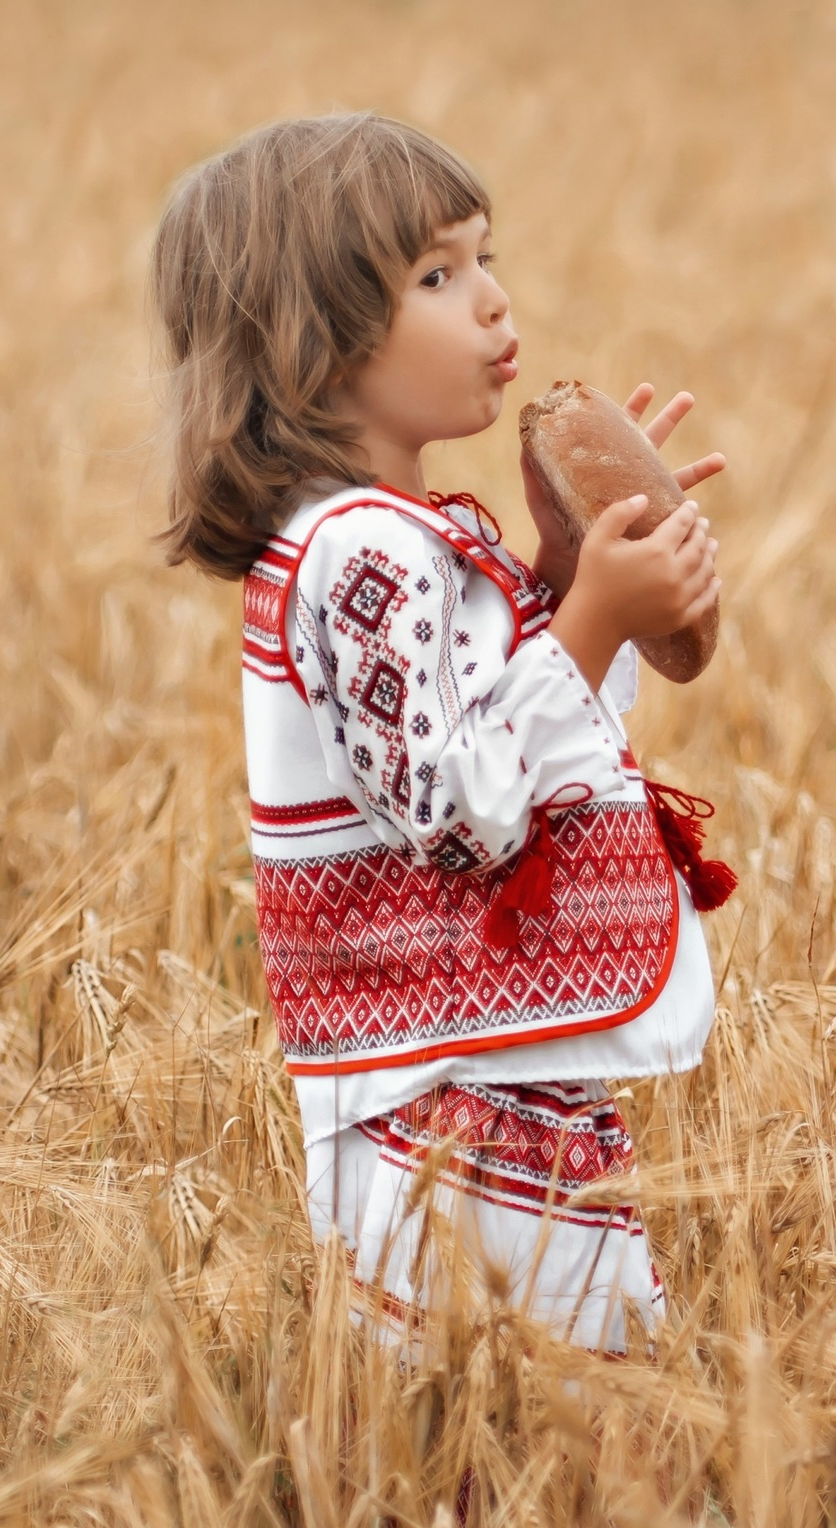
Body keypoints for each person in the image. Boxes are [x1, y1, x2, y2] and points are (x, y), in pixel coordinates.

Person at [151, 113, 728, 1360]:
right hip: (439, 1106)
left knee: (540, 1460)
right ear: (312, 339)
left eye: (484, 257)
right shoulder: (356, 551)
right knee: (513, 1453)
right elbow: (462, 812)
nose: (495, 304)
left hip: (475, 1073)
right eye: (437, 275)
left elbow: (502, 726)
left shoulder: (386, 537)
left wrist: (574, 577)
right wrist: (586, 621)